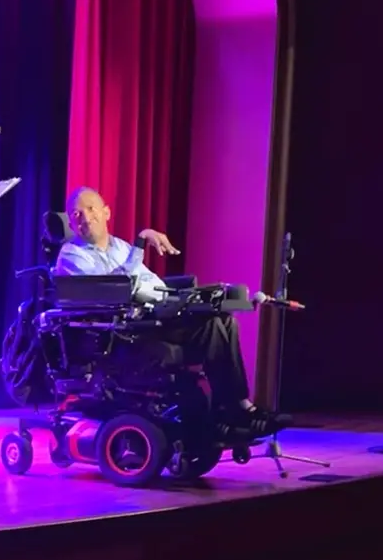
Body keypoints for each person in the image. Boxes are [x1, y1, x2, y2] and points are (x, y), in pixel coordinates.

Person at [53, 186, 288, 435]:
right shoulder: (71, 256)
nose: (86, 218)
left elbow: (151, 283)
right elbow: (113, 290)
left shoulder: (120, 247)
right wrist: (141, 243)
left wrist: (178, 299)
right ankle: (232, 409)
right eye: (77, 214)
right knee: (212, 326)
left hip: (153, 316)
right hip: (124, 331)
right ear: (71, 221)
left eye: (91, 209)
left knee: (223, 319)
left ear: (106, 212)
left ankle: (237, 405)